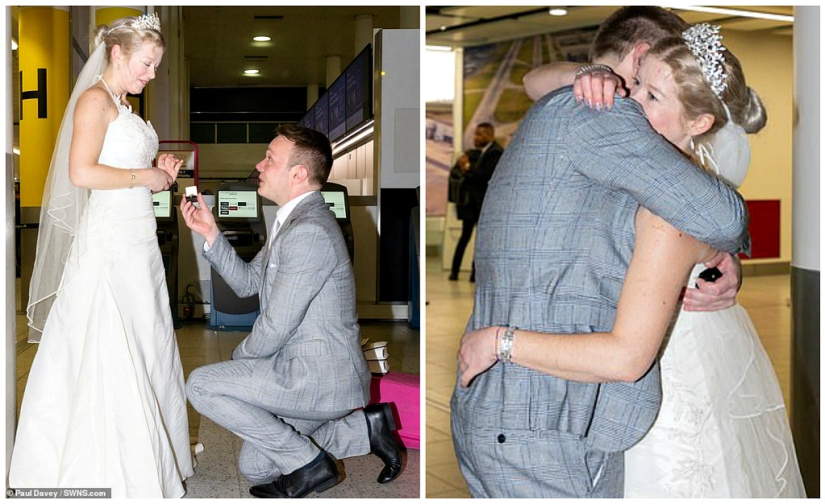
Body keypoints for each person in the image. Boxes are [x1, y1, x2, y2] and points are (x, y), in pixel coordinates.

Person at [458, 18, 806, 498]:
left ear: (699, 122)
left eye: (651, 94)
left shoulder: (667, 197)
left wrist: (713, 251)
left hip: (605, 384)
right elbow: (535, 80)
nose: (631, 103)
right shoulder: (608, 128)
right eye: (636, 85)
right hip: (572, 395)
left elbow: (712, 222)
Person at [10, 14, 193, 497]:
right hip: (111, 242)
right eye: (147, 63)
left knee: (144, 334)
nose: (151, 74)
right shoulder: (94, 100)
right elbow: (81, 173)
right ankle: (104, 464)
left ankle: (153, 451)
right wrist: (146, 178)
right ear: (117, 53)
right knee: (109, 339)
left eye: (156, 65)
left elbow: (120, 166)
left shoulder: (122, 103)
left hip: (137, 238)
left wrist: (158, 169)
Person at [180, 125, 402, 498]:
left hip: (320, 376)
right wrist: (211, 235)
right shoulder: (293, 222)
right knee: (257, 466)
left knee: (202, 384)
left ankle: (313, 467)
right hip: (304, 368)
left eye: (270, 158)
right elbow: (250, 283)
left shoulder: (309, 231)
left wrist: (239, 362)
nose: (259, 164)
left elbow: (277, 324)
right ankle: (365, 430)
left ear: (298, 174)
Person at [448, 123, 503, 282]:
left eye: (480, 135)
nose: (476, 138)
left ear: (490, 135)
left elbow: (486, 176)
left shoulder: (496, 153)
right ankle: (455, 271)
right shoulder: (475, 153)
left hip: (485, 205)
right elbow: (460, 172)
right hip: (470, 204)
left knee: (480, 241)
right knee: (465, 237)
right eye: (475, 134)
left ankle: (474, 274)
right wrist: (462, 165)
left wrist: (468, 168)